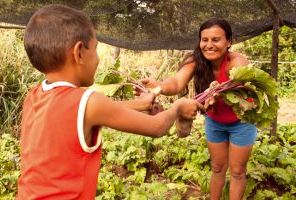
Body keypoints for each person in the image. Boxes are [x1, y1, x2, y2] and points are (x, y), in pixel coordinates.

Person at [16, 4, 211, 200]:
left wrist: (141, 104)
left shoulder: (34, 95)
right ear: (79, 53)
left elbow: (93, 111)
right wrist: (177, 107)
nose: (98, 59)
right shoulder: (90, 102)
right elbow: (157, 126)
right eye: (95, 49)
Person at [135, 18, 257, 199]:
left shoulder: (238, 62)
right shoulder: (195, 60)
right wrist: (157, 86)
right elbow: (176, 82)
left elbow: (238, 90)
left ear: (228, 42)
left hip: (242, 122)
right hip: (215, 122)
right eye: (204, 40)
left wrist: (217, 93)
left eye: (216, 40)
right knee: (217, 168)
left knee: (238, 171)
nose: (209, 45)